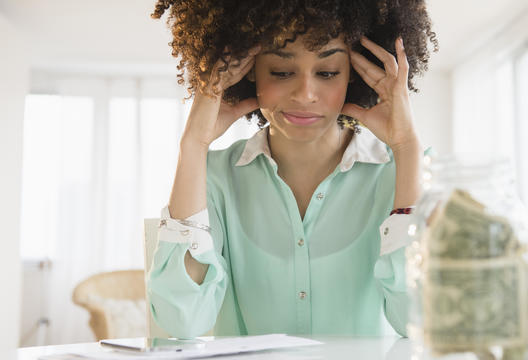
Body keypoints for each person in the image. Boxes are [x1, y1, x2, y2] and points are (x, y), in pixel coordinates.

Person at [148, 0, 438, 339]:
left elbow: (419, 320)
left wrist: (407, 146)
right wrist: (193, 144)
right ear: (248, 70)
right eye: (282, 72)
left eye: (327, 72)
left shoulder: (404, 172)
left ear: (355, 75)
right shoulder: (214, 176)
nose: (306, 94)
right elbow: (181, 322)